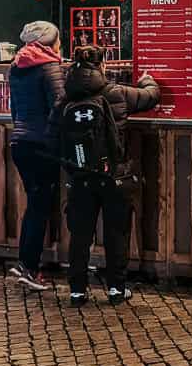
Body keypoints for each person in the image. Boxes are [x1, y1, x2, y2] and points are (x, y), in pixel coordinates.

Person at [59, 45, 159, 304]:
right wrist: (147, 79)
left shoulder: (65, 97)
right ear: (102, 66)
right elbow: (151, 97)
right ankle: (116, 289)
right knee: (117, 233)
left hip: (79, 175)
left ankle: (77, 290)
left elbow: (53, 133)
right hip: (114, 175)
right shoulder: (116, 93)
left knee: (80, 235)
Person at [6, 21, 65, 292]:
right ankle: (30, 268)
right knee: (39, 208)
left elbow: (15, 109)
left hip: (20, 142)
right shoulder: (49, 66)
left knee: (34, 206)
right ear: (50, 42)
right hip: (42, 144)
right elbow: (60, 106)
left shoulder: (16, 66)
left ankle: (24, 263)